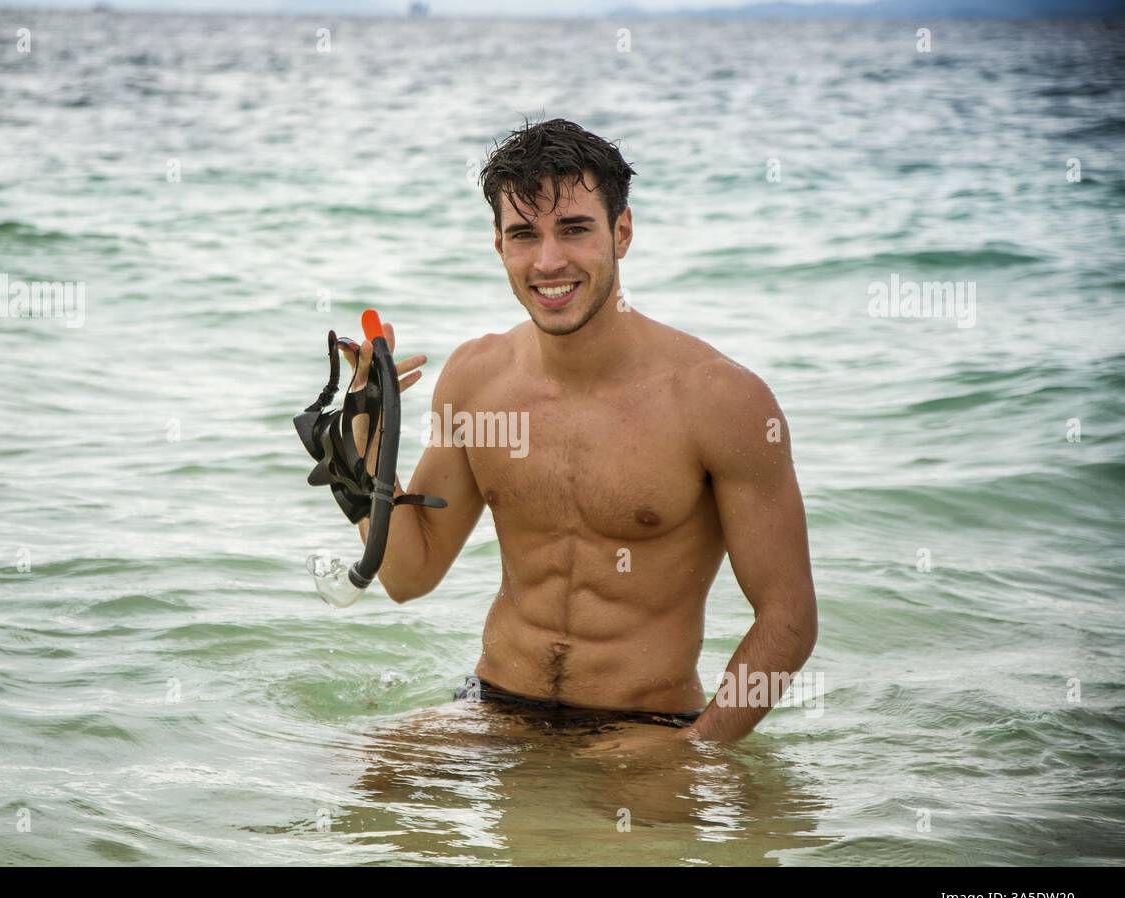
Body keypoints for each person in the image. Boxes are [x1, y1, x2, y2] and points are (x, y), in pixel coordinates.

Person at [338, 117, 817, 744]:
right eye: (523, 234)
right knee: (340, 798)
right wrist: (364, 439)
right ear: (498, 244)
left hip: (647, 727)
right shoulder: (477, 379)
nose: (548, 261)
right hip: (492, 709)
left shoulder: (720, 400)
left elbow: (789, 617)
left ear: (621, 231)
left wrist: (698, 748)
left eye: (574, 229)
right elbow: (409, 574)